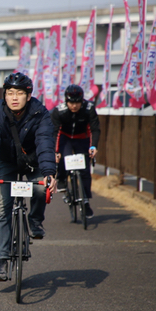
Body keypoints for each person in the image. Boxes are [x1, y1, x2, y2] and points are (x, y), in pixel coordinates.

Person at [0, 72, 57, 281]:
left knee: (41, 188)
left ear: (28, 95)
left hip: (33, 160)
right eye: (10, 93)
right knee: (2, 208)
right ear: (4, 95)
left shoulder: (40, 113)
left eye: (19, 93)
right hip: (6, 162)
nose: (14, 97)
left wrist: (50, 173)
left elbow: (45, 143)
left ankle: (34, 220)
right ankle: (1, 259)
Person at [51, 84, 100, 218]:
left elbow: (95, 129)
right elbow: (54, 132)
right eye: (71, 102)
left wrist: (93, 146)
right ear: (66, 101)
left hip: (81, 138)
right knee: (62, 157)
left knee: (84, 170)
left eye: (77, 102)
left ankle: (85, 201)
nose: (74, 106)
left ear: (82, 101)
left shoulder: (89, 109)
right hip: (65, 138)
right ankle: (61, 178)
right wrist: (55, 151)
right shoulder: (59, 111)